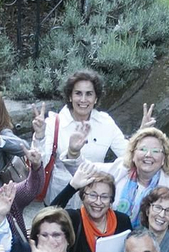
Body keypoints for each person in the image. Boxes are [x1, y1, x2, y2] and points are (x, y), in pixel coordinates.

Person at [76, 124, 169, 241]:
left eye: (155, 151)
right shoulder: (118, 170)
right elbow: (84, 171)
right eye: (143, 149)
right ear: (133, 154)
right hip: (110, 242)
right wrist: (74, 152)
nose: (148, 155)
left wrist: (168, 239)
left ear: (164, 159)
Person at [34, 69, 129, 201]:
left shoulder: (105, 122)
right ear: (70, 96)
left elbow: (127, 154)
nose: (83, 100)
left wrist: (141, 137)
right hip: (61, 197)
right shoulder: (53, 123)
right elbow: (40, 163)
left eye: (89, 94)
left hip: (96, 200)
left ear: (96, 98)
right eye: (78, 93)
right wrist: (39, 136)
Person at [64, 168, 131, 252]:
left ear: (111, 200)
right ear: (83, 196)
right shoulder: (73, 219)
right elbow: (46, 216)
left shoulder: (123, 221)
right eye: (93, 195)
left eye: (104, 197)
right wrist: (71, 187)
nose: (98, 202)